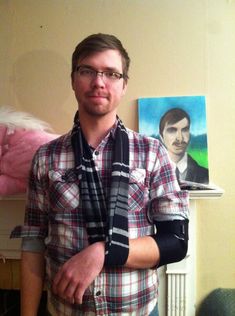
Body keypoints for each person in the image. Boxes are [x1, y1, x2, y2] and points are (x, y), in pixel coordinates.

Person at [11, 33, 189, 316]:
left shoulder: (152, 152)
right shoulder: (45, 157)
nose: (98, 81)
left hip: (137, 310)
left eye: (111, 73)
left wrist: (103, 251)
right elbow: (33, 242)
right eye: (87, 71)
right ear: (73, 80)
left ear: (124, 84)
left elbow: (175, 242)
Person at [159, 107, 209, 184]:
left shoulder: (204, 174)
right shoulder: (152, 174)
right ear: (161, 136)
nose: (180, 138)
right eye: (172, 130)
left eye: (185, 130)